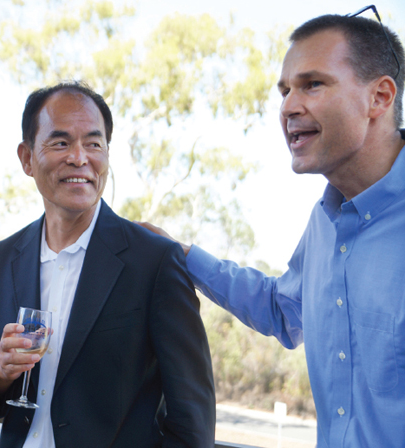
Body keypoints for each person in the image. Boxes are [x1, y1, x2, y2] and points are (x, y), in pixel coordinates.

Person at [140, 11, 405, 448]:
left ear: (379, 97)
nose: (287, 107)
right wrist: (181, 254)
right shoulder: (324, 223)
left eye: (312, 84)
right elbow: (284, 312)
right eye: (284, 91)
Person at [0, 82, 215, 447]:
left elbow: (193, 420)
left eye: (94, 144)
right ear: (27, 158)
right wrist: (0, 371)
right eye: (61, 142)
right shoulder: (1, 259)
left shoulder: (154, 261)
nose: (79, 158)